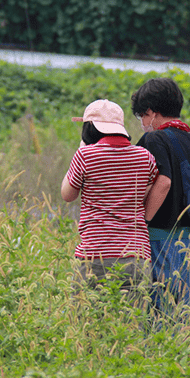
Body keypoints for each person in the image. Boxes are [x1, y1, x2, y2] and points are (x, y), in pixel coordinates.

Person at [132, 77, 190, 321]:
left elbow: (164, 181)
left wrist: (142, 221)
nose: (142, 124)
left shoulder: (153, 140)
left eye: (142, 117)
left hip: (162, 237)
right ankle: (184, 358)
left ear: (151, 112)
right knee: (185, 312)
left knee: (158, 311)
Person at [61, 99, 159, 299]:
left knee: (86, 323)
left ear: (89, 128)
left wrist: (80, 151)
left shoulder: (85, 155)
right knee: (131, 325)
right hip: (136, 256)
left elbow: (67, 195)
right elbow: (145, 195)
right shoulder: (144, 156)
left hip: (95, 254)